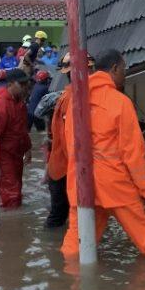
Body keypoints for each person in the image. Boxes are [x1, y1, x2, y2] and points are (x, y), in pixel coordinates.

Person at [61, 49, 145, 259]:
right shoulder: (120, 102)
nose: (125, 75)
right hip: (116, 186)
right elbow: (133, 154)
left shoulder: (75, 102)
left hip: (82, 185)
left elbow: (70, 146)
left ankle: (70, 286)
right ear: (114, 69)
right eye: (124, 70)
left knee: (76, 250)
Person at [41, 52, 95, 228]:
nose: (92, 74)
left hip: (60, 167)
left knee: (64, 215)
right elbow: (67, 142)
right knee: (62, 216)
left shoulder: (68, 96)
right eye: (89, 70)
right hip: (65, 169)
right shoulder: (73, 99)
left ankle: (54, 251)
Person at [0, 69, 32, 208]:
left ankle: (11, 222)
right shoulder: (1, 105)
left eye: (26, 84)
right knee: (12, 197)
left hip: (16, 154)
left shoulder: (19, 102)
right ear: (10, 84)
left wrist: (27, 149)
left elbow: (22, 130)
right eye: (22, 84)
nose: (25, 87)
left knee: (16, 192)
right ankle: (10, 227)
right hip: (3, 156)